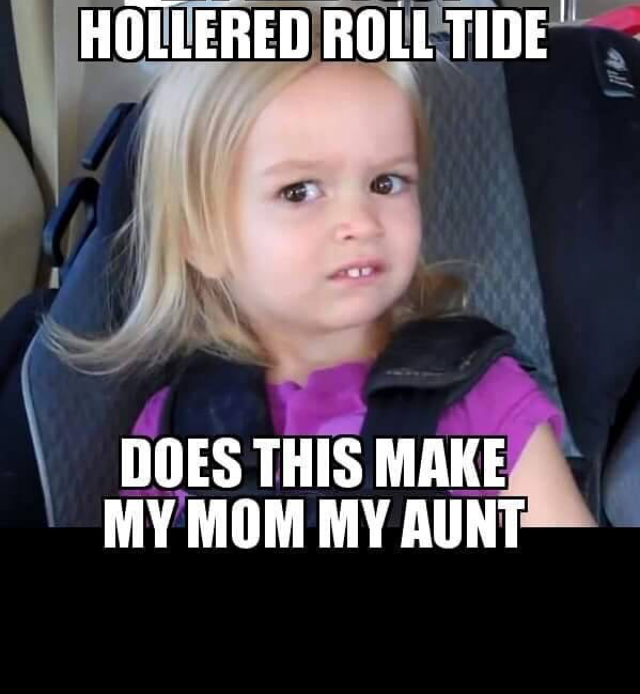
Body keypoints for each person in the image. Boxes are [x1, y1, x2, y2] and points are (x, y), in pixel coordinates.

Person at [41, 36, 597, 528]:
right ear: (203, 239)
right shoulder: (177, 423)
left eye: (386, 182)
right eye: (300, 191)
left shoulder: (480, 396)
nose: (360, 221)